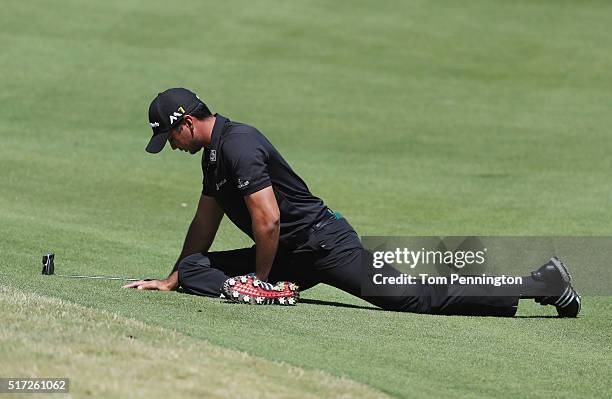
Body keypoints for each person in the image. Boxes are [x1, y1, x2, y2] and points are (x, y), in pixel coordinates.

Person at [124, 87, 581, 317]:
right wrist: (173, 277)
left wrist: (260, 281)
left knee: (415, 297)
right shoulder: (213, 155)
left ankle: (539, 282)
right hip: (286, 253)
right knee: (195, 268)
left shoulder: (239, 144)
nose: (173, 146)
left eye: (170, 137)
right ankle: (267, 284)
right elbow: (204, 223)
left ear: (185, 122)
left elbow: (268, 220)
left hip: (323, 244)